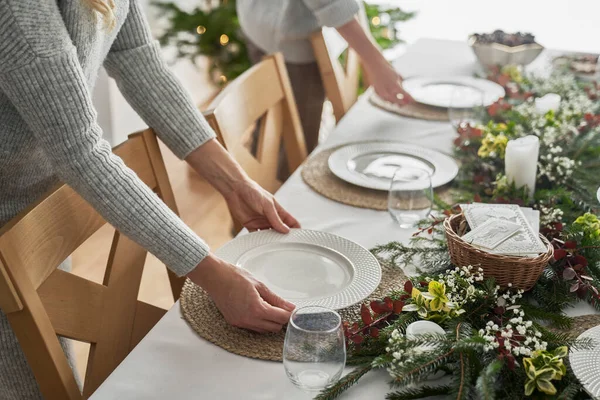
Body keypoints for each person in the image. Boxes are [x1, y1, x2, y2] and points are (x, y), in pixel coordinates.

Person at [0, 0, 298, 398]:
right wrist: (212, 273)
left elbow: (139, 59)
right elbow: (81, 152)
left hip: (34, 201)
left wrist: (236, 184)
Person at [237, 0, 413, 155]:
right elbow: (332, 4)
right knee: (293, 146)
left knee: (273, 127)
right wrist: (375, 61)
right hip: (288, 36)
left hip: (265, 21)